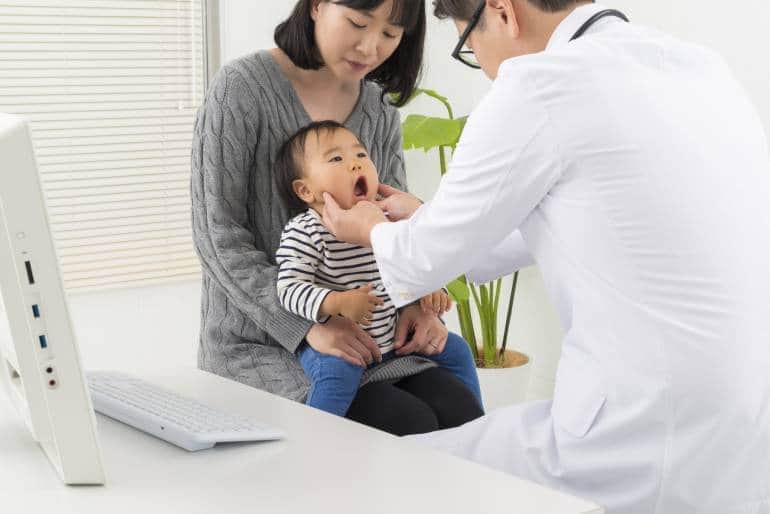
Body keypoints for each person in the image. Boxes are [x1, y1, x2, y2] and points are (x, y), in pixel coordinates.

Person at [321, 0, 770, 512]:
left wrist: (368, 228)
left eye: (471, 45)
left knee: (389, 476)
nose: (484, 64)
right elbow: (570, 222)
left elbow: (421, 262)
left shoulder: (539, 83)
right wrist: (424, 216)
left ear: (503, 11)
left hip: (639, 436)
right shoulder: (700, 67)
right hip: (748, 437)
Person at [190, 0, 484, 436]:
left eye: (390, 33)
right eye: (358, 22)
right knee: (409, 422)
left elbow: (390, 226)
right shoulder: (241, 89)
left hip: (375, 338)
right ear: (316, 7)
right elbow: (218, 238)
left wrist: (416, 305)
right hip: (263, 343)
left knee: (459, 411)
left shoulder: (379, 108)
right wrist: (309, 325)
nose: (370, 47)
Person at [273, 119, 483, 417]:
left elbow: (414, 258)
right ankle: (313, 442)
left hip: (389, 339)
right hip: (340, 344)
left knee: (458, 350)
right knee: (337, 374)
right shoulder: (306, 230)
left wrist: (431, 290)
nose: (356, 165)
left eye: (361, 155)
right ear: (306, 190)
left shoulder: (386, 217)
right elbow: (289, 289)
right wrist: (337, 303)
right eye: (336, 158)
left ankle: (478, 431)